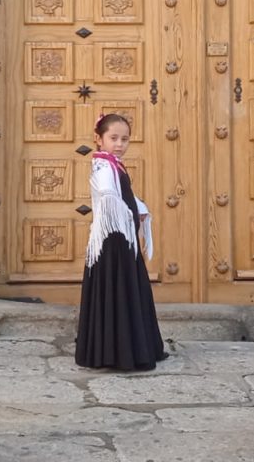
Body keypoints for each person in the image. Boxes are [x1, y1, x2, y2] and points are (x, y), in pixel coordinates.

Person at [74, 113, 168, 371]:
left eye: (124, 139)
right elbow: (108, 197)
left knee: (126, 291)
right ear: (99, 139)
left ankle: (127, 350)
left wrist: (137, 207)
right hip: (113, 241)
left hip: (122, 238)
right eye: (113, 138)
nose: (119, 144)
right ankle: (121, 354)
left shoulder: (114, 165)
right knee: (117, 290)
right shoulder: (103, 166)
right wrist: (126, 215)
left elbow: (123, 195)